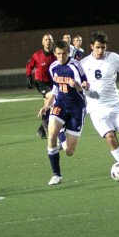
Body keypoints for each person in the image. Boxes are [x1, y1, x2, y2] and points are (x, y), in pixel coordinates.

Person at [80, 31, 119, 179]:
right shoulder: (83, 64)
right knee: (110, 137)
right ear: (91, 47)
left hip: (115, 105)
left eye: (103, 47)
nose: (101, 50)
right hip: (96, 109)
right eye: (97, 47)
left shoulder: (113, 58)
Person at [38, 40, 89, 186]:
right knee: (51, 135)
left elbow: (84, 88)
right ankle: (56, 175)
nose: (61, 56)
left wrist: (78, 85)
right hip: (60, 104)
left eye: (64, 53)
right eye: (59, 54)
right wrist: (47, 105)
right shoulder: (53, 67)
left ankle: (64, 134)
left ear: (68, 52)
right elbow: (55, 88)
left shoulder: (75, 66)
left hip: (76, 108)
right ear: (54, 54)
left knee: (69, 151)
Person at [26, 33, 56, 138]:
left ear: (52, 41)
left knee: (48, 104)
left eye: (50, 39)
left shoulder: (56, 55)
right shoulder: (37, 55)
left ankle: (42, 129)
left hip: (52, 82)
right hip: (41, 82)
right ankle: (49, 130)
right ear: (43, 42)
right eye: (46, 39)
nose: (48, 41)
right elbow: (29, 66)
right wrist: (29, 77)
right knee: (53, 99)